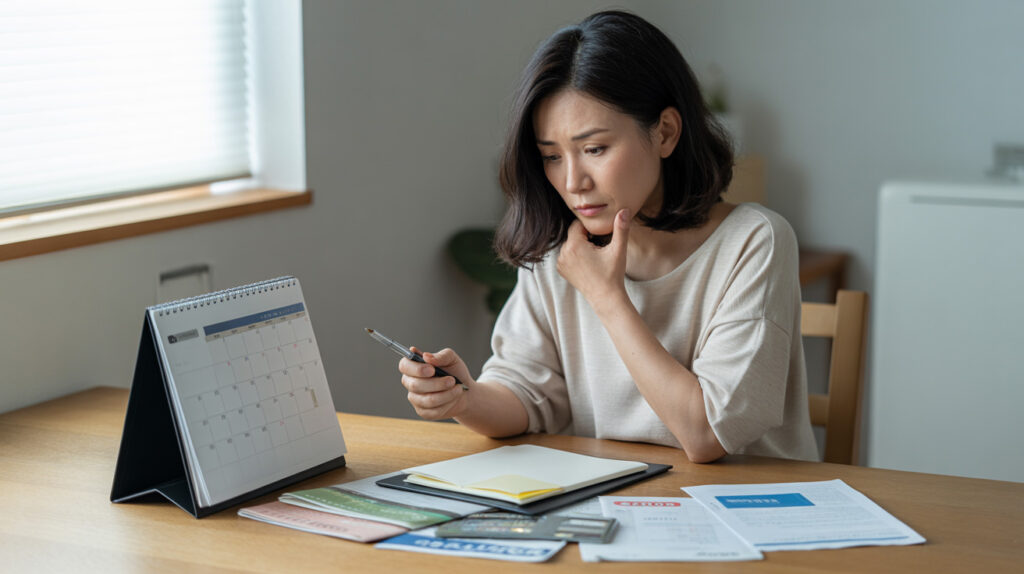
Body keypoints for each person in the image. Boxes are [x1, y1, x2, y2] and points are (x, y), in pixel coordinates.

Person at [398, 10, 818, 463]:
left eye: (594, 149)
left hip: (749, 510)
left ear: (666, 132)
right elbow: (526, 395)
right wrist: (465, 399)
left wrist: (607, 297)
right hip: (616, 507)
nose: (573, 181)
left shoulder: (753, 242)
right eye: (552, 156)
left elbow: (706, 435)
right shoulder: (561, 249)